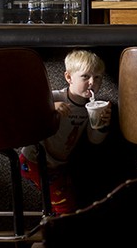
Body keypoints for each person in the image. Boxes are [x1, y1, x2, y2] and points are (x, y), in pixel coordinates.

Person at [19, 50, 112, 232]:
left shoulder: (90, 107)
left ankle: (49, 240)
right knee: (65, 207)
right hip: (34, 161)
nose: (92, 82)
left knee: (71, 202)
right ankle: (51, 246)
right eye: (85, 76)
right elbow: (25, 110)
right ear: (69, 77)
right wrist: (50, 107)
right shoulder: (54, 97)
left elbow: (94, 141)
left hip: (58, 165)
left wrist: (102, 125)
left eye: (98, 77)